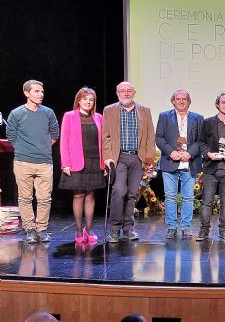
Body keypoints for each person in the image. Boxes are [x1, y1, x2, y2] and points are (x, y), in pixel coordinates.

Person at [102, 81, 155, 243]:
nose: (126, 94)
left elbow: (150, 137)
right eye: (122, 91)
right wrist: (108, 157)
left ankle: (129, 228)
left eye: (129, 91)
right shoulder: (110, 110)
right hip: (119, 158)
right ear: (117, 93)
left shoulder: (144, 111)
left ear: (134, 93)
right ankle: (114, 229)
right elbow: (106, 137)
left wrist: (148, 160)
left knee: (132, 194)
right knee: (119, 191)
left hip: (137, 158)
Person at [6, 80, 59, 244]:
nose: (40, 94)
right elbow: (11, 136)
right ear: (27, 93)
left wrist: (41, 147)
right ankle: (29, 230)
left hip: (44, 162)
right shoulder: (16, 113)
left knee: (44, 199)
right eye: (36, 91)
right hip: (23, 162)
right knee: (25, 198)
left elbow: (54, 133)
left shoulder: (48, 112)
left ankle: (42, 229)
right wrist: (24, 148)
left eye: (42, 91)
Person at [155, 89, 203, 240]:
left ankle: (186, 227)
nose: (181, 101)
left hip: (190, 162)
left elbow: (201, 140)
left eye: (184, 99)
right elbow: (159, 138)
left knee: (188, 197)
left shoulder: (198, 118)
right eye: (178, 99)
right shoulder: (164, 116)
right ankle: (171, 226)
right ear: (173, 101)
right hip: (170, 162)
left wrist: (190, 153)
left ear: (189, 102)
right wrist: (171, 152)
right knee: (170, 197)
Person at [59, 87, 105, 243]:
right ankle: (79, 231)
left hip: (94, 161)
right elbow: (64, 141)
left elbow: (104, 142)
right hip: (76, 162)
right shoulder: (69, 116)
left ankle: (89, 229)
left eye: (91, 100)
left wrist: (104, 163)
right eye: (85, 99)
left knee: (91, 195)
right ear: (79, 100)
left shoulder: (99, 117)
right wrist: (65, 163)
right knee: (78, 195)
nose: (88, 102)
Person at [196, 93, 225, 241]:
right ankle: (204, 230)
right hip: (210, 167)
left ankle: (224, 230)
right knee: (207, 202)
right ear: (217, 104)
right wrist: (208, 153)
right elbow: (201, 143)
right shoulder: (207, 122)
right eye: (223, 102)